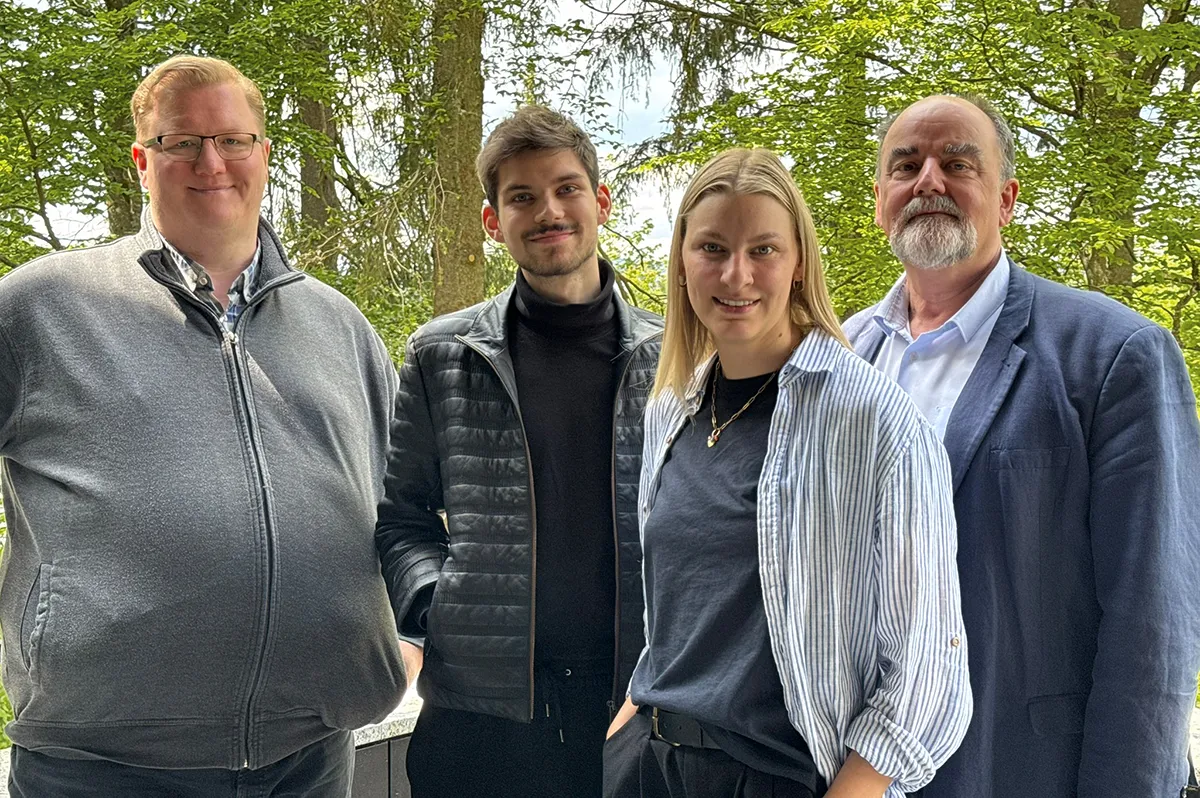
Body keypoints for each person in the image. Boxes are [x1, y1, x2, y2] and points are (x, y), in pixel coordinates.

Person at [0, 56, 407, 797]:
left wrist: (407, 638)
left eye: (232, 140)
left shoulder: (339, 325)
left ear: (264, 154)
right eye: (181, 142)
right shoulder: (40, 306)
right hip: (100, 769)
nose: (211, 163)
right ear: (141, 162)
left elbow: (401, 504)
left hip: (311, 759)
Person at [844, 94, 1200, 798]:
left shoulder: (1113, 355)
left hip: (1016, 769)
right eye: (906, 166)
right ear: (880, 202)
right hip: (849, 768)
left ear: (1006, 200)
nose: (929, 181)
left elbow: (1154, 624)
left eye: (958, 164)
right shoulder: (839, 355)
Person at [602, 148, 971, 798]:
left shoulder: (872, 419)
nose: (736, 274)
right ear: (681, 260)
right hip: (649, 767)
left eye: (764, 250)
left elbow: (927, 667)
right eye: (712, 248)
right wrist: (626, 728)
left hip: (775, 778)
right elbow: (676, 613)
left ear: (799, 261)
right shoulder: (671, 410)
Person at [374, 105, 663, 797]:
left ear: (601, 201)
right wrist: (437, 606)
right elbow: (402, 517)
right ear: (492, 220)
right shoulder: (442, 355)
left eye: (566, 189)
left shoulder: (674, 356)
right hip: (482, 724)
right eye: (523, 197)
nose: (549, 212)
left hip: (632, 708)